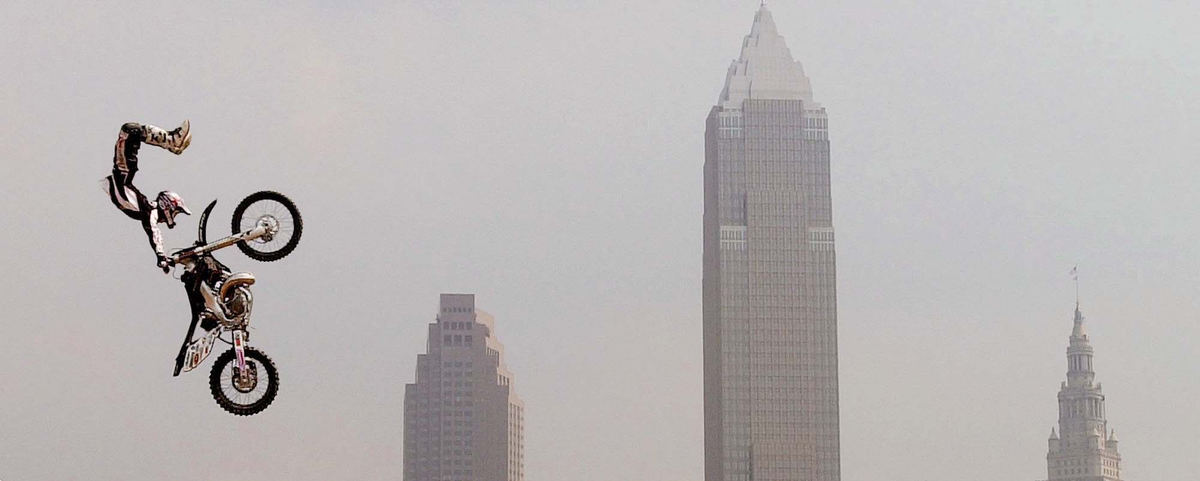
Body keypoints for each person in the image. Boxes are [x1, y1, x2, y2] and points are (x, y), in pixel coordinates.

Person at [101, 121, 193, 273]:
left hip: (122, 176)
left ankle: (173, 142)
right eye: (176, 211)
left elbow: (153, 231)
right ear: (167, 205)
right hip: (122, 176)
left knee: (130, 131)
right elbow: (154, 232)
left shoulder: (148, 211)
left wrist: (161, 256)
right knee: (131, 131)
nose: (173, 217)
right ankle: (173, 141)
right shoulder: (150, 210)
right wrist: (161, 255)